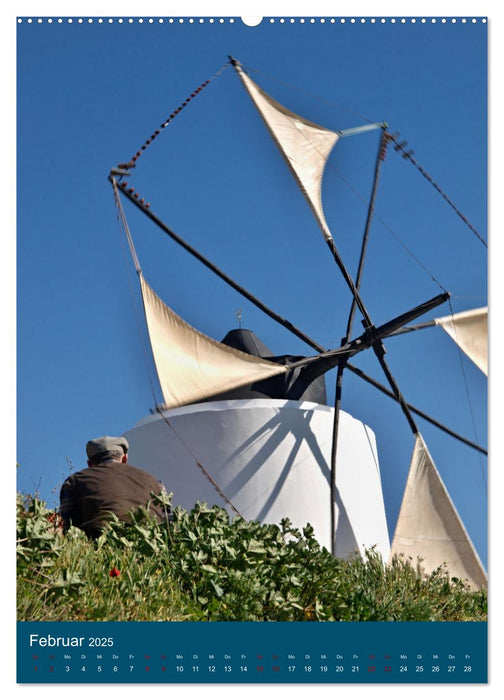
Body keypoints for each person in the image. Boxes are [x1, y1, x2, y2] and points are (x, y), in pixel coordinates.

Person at [59, 435, 169, 538]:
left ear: (90, 465)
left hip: (100, 542)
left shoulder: (73, 481)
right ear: (125, 458)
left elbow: (68, 526)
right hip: (150, 542)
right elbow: (169, 525)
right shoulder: (157, 484)